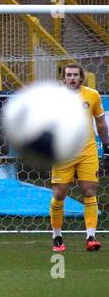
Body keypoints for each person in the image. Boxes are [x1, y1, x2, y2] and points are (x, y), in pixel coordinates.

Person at [48, 62, 109, 254]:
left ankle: (91, 236)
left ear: (81, 77)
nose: (72, 78)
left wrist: (107, 146)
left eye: (75, 75)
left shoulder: (92, 95)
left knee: (89, 190)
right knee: (60, 193)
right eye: (69, 75)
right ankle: (57, 236)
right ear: (63, 78)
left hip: (87, 150)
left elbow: (100, 123)